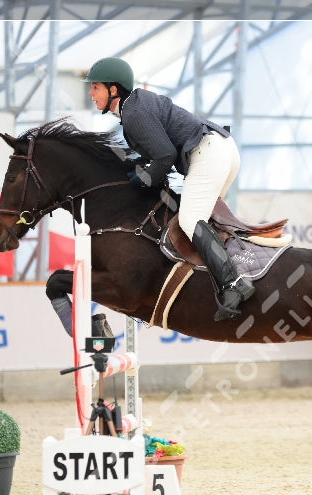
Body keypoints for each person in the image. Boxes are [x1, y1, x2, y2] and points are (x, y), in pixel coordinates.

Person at [83, 56, 254, 321]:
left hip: (208, 153)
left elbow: (164, 156)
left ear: (113, 89)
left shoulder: (134, 113)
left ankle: (234, 284)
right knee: (203, 223)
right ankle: (241, 267)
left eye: (95, 87)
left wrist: (144, 179)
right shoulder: (135, 105)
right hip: (223, 149)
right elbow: (159, 153)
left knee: (189, 219)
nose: (91, 93)